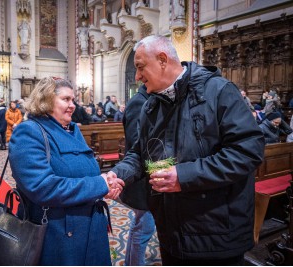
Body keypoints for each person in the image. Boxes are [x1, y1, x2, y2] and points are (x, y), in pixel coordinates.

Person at [106, 35, 265, 265]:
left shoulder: (218, 91)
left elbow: (248, 150)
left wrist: (184, 175)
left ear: (162, 60)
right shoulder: (151, 105)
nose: (138, 77)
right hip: (171, 231)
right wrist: (118, 174)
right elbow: (140, 155)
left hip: (216, 234)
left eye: (140, 67)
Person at [8, 76, 124, 265]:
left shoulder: (70, 129)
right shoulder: (29, 132)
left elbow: (84, 171)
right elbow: (42, 187)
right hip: (58, 235)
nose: (73, 105)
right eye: (66, 99)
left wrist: (106, 184)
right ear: (45, 100)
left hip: (90, 228)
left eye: (73, 99)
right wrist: (99, 184)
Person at [120, 84, 156, 266]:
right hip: (142, 180)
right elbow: (138, 145)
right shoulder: (139, 103)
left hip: (148, 178)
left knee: (141, 227)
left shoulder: (149, 100)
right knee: (143, 229)